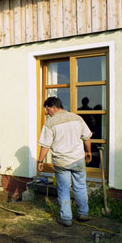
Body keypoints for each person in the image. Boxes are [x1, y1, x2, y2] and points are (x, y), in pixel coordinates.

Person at [37, 96, 92, 227]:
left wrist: (40, 161)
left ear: (54, 107)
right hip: (78, 159)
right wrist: (88, 152)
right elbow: (87, 137)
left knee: (63, 189)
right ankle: (83, 213)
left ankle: (66, 218)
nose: (47, 113)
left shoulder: (50, 123)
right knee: (80, 187)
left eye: (47, 109)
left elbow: (45, 145)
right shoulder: (77, 118)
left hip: (62, 162)